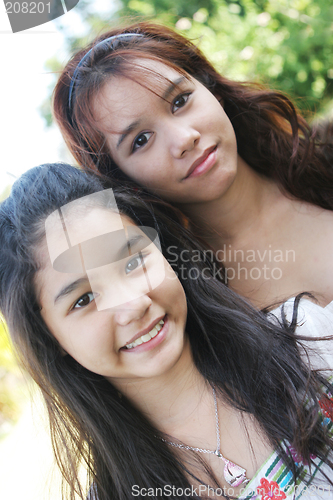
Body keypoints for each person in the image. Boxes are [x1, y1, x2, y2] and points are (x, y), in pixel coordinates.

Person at [0, 162, 332, 500]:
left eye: (132, 262)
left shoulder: (309, 342)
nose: (133, 305)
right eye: (84, 298)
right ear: (50, 338)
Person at [53, 21, 333, 312]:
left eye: (180, 101)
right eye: (142, 140)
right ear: (123, 178)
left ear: (212, 89)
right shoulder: (181, 301)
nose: (184, 139)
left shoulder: (326, 160)